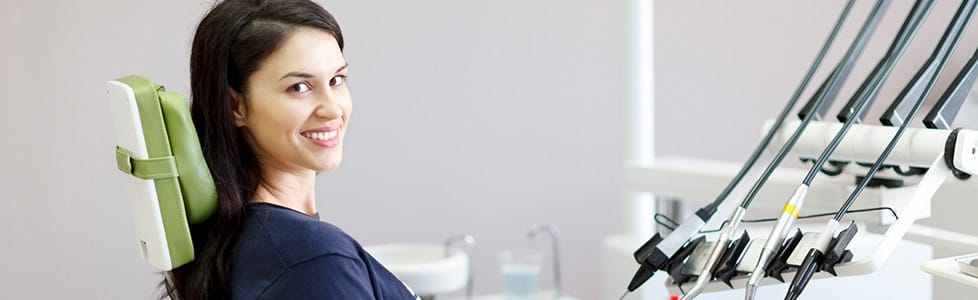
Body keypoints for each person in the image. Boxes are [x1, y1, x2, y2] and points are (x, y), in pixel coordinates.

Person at [161, 0, 418, 299]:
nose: (332, 108)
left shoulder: (241, 239)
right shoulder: (314, 261)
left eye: (337, 80)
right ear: (236, 105)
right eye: (299, 87)